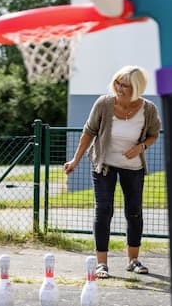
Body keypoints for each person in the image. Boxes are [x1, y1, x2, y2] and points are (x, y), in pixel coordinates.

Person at [63, 65, 162, 278]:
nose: (119, 87)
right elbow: (89, 132)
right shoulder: (104, 103)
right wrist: (75, 160)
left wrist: (140, 147)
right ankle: (102, 264)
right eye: (117, 82)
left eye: (124, 85)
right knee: (104, 210)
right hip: (104, 164)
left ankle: (133, 260)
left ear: (136, 88)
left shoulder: (149, 109)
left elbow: (154, 134)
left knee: (134, 212)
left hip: (133, 167)